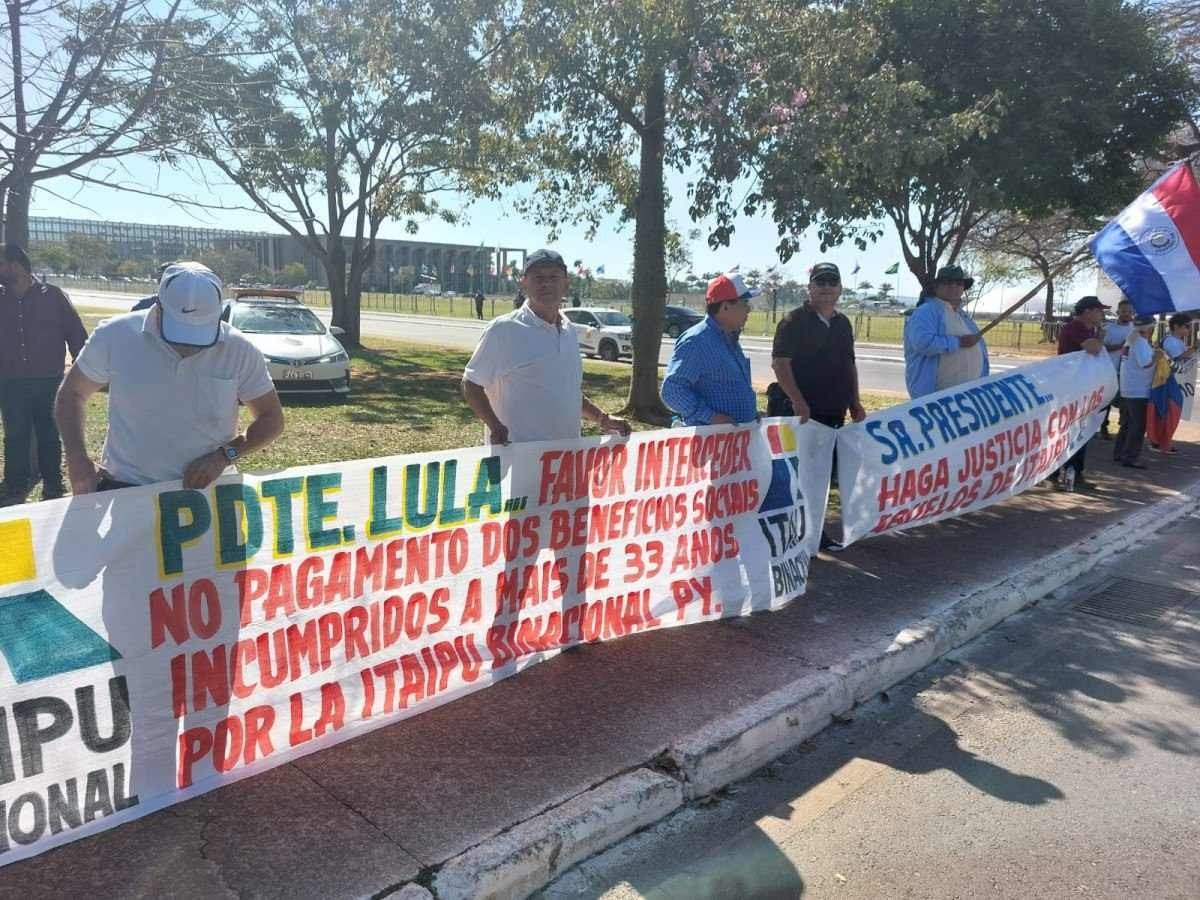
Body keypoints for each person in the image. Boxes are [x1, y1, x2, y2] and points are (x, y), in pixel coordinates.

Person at [55, 262, 285, 492]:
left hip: (210, 491)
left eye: (198, 335)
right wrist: (77, 458)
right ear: (159, 306)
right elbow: (72, 394)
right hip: (127, 488)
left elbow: (271, 418)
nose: (188, 347)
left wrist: (225, 456)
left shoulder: (239, 348)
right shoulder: (115, 335)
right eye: (179, 333)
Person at [462, 249, 630, 444]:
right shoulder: (504, 330)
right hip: (518, 459)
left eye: (554, 277)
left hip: (565, 460)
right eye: (538, 277)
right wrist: (495, 425)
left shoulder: (568, 329)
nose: (546, 283)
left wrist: (602, 418)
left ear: (566, 284)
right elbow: (471, 384)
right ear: (524, 283)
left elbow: (567, 392)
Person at [769, 262, 865, 551]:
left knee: (821, 478)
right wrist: (798, 401)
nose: (826, 287)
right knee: (799, 477)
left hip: (833, 413)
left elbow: (849, 364)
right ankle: (790, 536)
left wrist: (855, 401)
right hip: (801, 415)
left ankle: (815, 532)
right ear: (809, 287)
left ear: (840, 289)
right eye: (820, 282)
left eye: (832, 282)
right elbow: (780, 364)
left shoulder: (843, 323)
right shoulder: (793, 321)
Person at [0, 245, 89, 505]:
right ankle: (15, 486)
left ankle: (53, 485)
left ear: (15, 265)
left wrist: (82, 369)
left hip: (49, 381)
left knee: (50, 434)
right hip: (10, 382)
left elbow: (75, 333)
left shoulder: (53, 296)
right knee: (15, 435)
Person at [661, 271, 759, 426]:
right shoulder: (696, 341)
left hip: (735, 440)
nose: (749, 310)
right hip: (710, 443)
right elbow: (672, 390)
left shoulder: (730, 338)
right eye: (745, 303)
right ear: (725, 307)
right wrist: (711, 417)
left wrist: (751, 414)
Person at [903, 265, 989, 398]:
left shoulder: (962, 315)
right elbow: (923, 343)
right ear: (936, 287)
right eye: (947, 282)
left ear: (963, 288)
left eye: (958, 283)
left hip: (968, 395)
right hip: (937, 398)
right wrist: (958, 342)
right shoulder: (926, 311)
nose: (953, 286)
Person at [1051, 296, 1108, 490]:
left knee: (1079, 429)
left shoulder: (1087, 329)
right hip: (1071, 387)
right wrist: (1100, 336)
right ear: (1087, 311)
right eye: (1099, 311)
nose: (1102, 314)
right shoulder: (1077, 327)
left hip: (1080, 386)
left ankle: (1070, 471)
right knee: (1074, 430)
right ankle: (1067, 472)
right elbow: (1093, 348)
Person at [1114, 315, 1158, 469]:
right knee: (1138, 425)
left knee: (1127, 423)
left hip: (1128, 387)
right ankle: (1131, 457)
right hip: (1138, 389)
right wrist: (1157, 357)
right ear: (1149, 328)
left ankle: (1119, 452)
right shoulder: (1139, 342)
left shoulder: (1131, 339)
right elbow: (1145, 364)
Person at [1148, 312, 1194, 454]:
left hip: (1166, 379)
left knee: (1168, 410)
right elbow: (1173, 360)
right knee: (1168, 411)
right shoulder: (1170, 341)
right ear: (1176, 326)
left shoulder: (1175, 340)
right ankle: (1160, 442)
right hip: (1163, 380)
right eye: (1186, 326)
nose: (1189, 330)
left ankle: (1161, 441)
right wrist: (1189, 353)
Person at [1100, 299, 1135, 439]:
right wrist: (1120, 346)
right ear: (1118, 312)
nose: (1127, 314)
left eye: (1130, 311)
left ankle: (1123, 430)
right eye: (1124, 311)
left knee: (1125, 402)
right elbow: (1101, 348)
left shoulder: (1135, 329)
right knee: (1107, 401)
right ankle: (1103, 428)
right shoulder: (1109, 329)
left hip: (1129, 372)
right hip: (1111, 371)